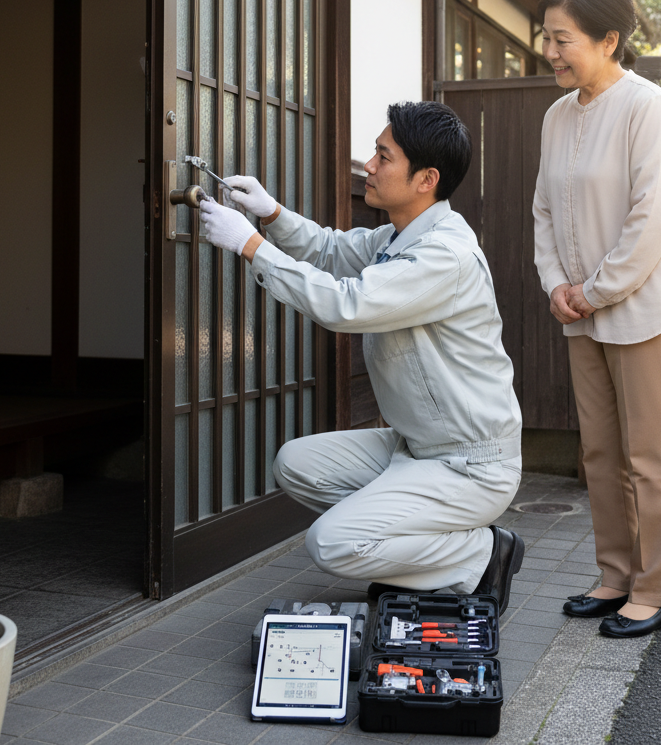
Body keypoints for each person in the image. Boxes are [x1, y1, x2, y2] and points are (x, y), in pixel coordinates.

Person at [198, 101, 524, 613]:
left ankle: (480, 555)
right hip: (414, 447)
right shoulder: (397, 235)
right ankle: (414, 555)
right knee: (296, 465)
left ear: (426, 179)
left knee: (331, 543)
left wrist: (251, 245)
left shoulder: (444, 255)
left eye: (382, 156)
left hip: (468, 464)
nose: (369, 166)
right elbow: (329, 249)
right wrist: (271, 214)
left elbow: (347, 304)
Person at [532, 0, 661, 638]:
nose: (550, 50)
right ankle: (614, 575)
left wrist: (591, 291)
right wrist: (555, 285)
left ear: (609, 39)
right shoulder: (555, 116)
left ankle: (657, 590)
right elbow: (545, 210)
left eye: (562, 38)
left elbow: (651, 220)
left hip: (650, 310)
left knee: (652, 458)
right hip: (583, 313)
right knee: (600, 453)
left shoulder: (646, 105)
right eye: (545, 37)